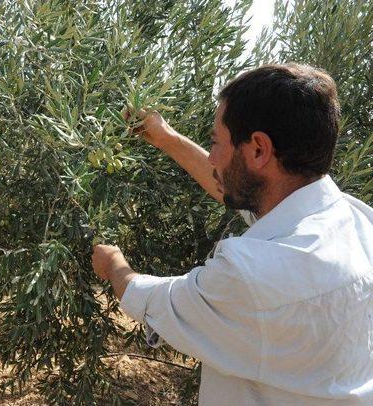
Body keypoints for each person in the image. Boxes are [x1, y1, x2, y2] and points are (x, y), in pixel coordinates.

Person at [92, 64, 373, 404]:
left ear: (258, 149)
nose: (212, 157)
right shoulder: (353, 219)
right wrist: (166, 139)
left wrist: (114, 264)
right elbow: (233, 188)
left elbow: (156, 301)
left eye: (216, 142)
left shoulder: (251, 274)